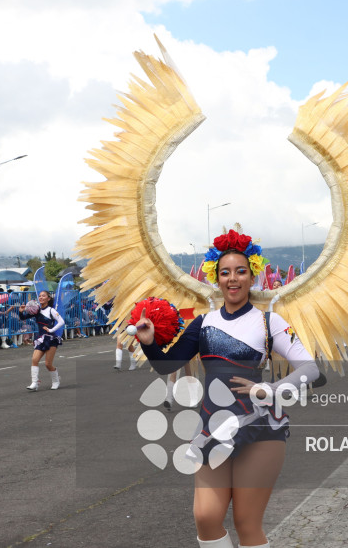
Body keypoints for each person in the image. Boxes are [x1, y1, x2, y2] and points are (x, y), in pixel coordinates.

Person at [134, 230, 320, 548]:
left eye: (240, 271)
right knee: (206, 518)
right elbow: (167, 366)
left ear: (252, 276)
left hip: (260, 427)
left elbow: (311, 369)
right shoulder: (203, 323)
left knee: (246, 523)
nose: (233, 279)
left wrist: (270, 389)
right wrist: (149, 343)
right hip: (213, 426)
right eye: (225, 273)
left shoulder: (270, 322)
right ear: (216, 279)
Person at [19, 291, 65, 391]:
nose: (41, 297)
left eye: (43, 296)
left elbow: (61, 321)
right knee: (34, 360)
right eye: (39, 296)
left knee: (48, 364)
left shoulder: (51, 310)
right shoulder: (36, 310)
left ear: (48, 298)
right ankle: (35, 382)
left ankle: (56, 380)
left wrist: (51, 330)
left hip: (51, 339)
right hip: (40, 339)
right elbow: (23, 318)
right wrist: (21, 311)